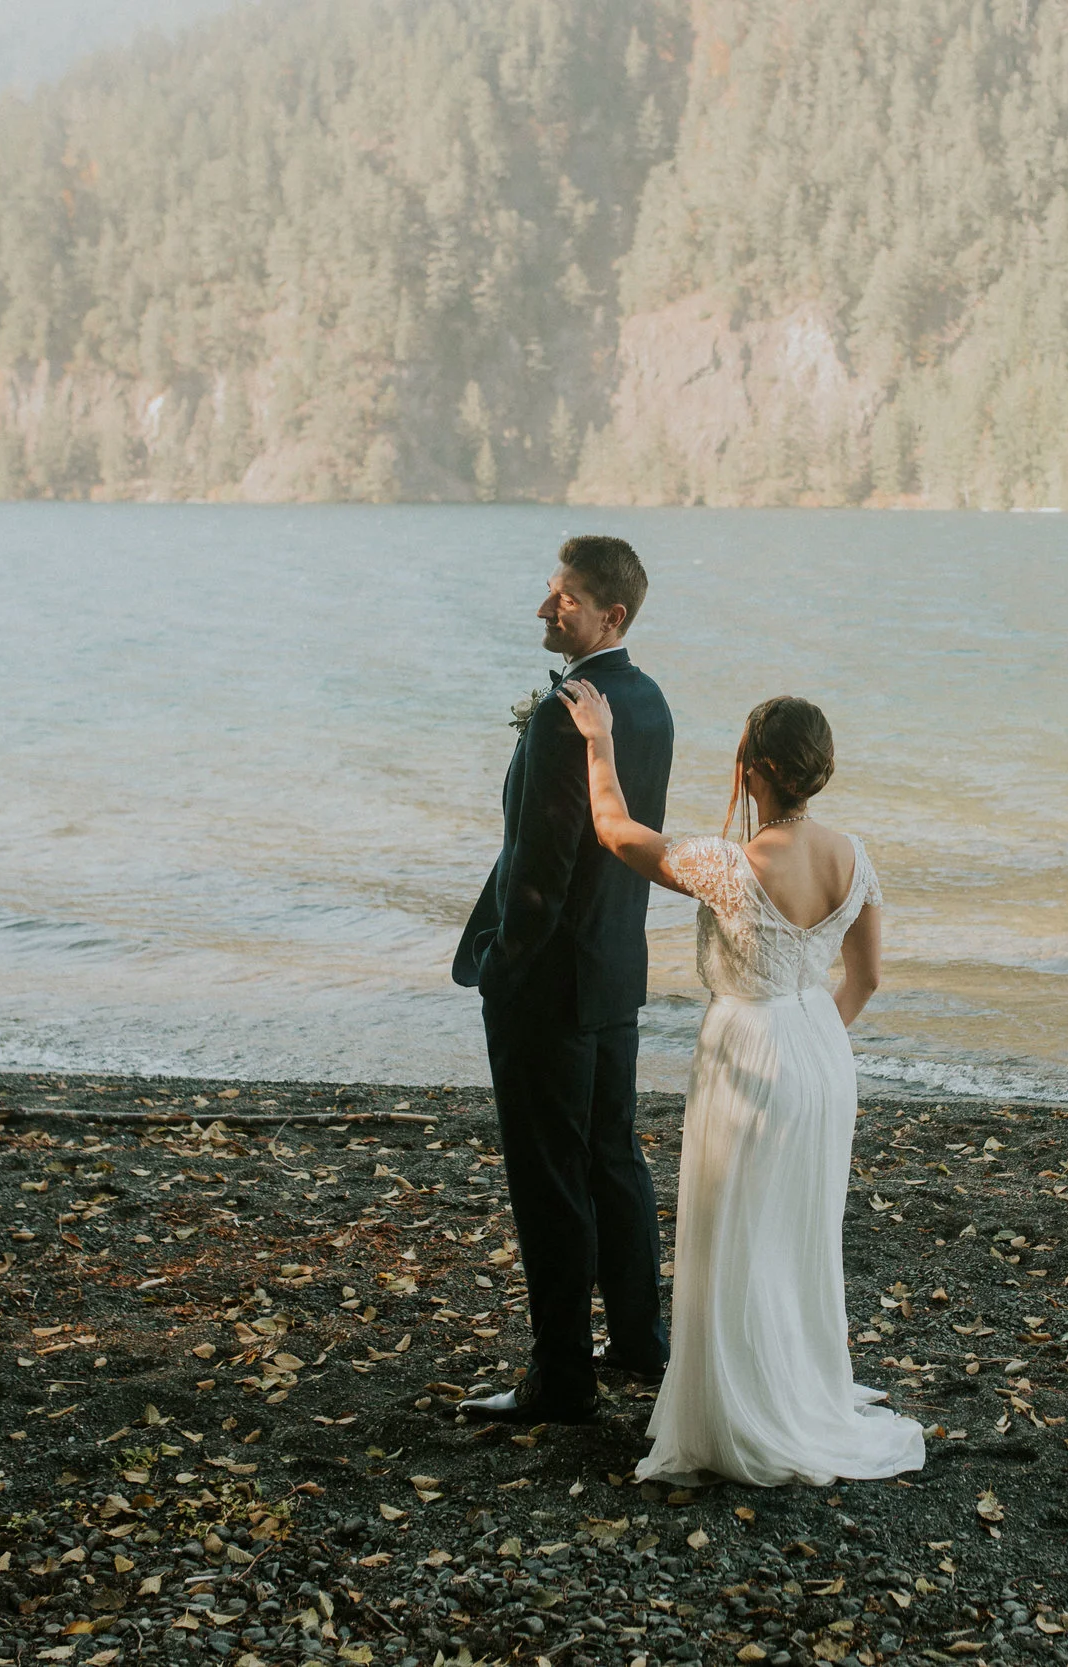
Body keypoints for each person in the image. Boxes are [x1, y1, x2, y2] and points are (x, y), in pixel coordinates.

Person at [556, 681, 925, 1486]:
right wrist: (809, 1041)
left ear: (757, 770)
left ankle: (742, 1409)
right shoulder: (853, 856)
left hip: (750, 1050)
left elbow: (615, 830)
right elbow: (865, 978)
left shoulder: (732, 866)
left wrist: (599, 738)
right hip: (819, 1051)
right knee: (794, 1234)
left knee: (735, 1232)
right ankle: (795, 1387)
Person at [450, 536, 672, 1424]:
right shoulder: (649, 702)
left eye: (565, 598)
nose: (546, 608)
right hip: (614, 969)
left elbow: (541, 868)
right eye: (550, 591)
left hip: (548, 986)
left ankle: (562, 1378)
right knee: (613, 1159)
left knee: (549, 1178)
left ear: (609, 615)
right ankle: (641, 1343)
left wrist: (503, 969)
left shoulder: (564, 715)